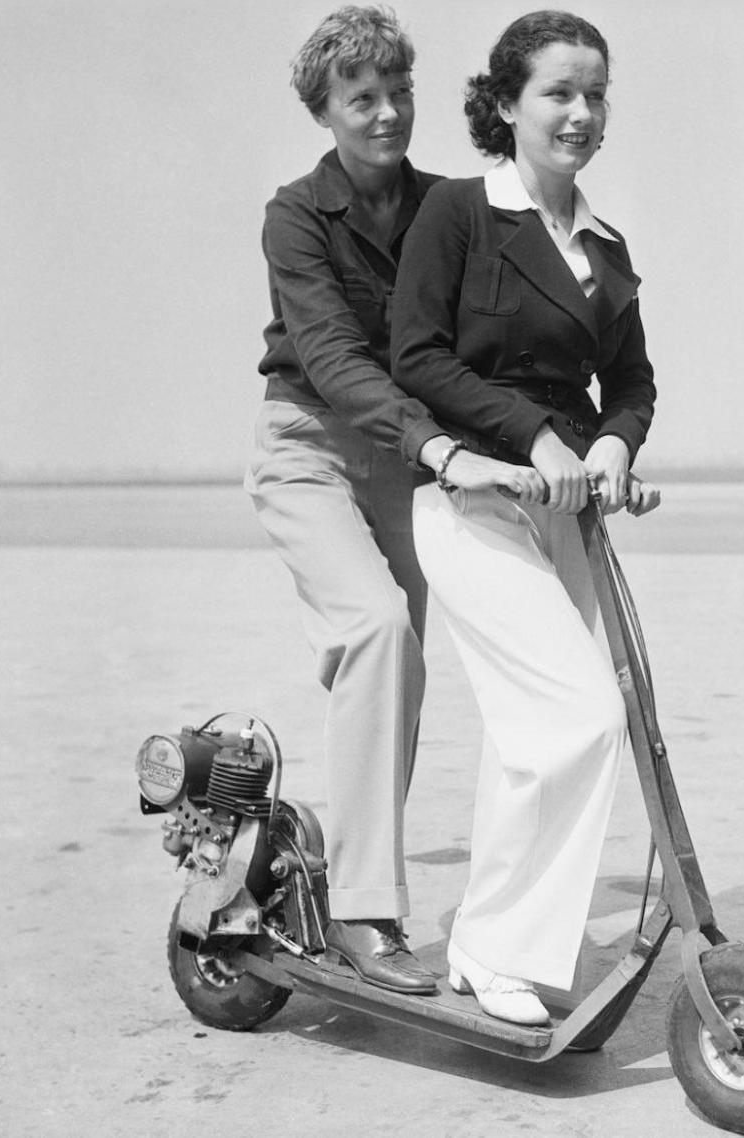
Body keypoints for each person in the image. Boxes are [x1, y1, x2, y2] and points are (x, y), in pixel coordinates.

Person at [390, 10, 661, 1025]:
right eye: (559, 92)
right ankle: (500, 948)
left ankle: (490, 944)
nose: (581, 113)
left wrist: (612, 447)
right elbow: (417, 357)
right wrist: (533, 437)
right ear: (505, 104)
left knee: (532, 736)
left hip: (565, 518)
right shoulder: (459, 213)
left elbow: (630, 383)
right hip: (468, 502)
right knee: (578, 718)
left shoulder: (604, 244)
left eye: (596, 94)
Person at [244, 5, 516, 994]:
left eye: (398, 91)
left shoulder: (450, 208)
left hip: (411, 459)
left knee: (401, 667)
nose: (387, 112)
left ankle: (346, 874)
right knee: (376, 628)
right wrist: (438, 443)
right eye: (361, 98)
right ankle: (365, 912)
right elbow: (329, 355)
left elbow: (489, 343)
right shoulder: (294, 216)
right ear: (324, 111)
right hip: (308, 445)